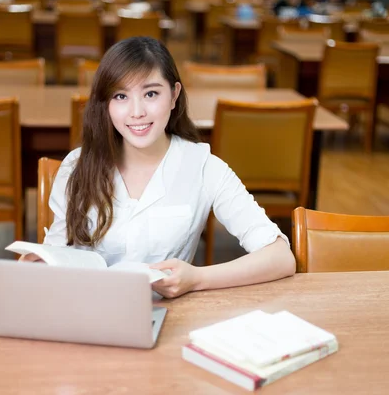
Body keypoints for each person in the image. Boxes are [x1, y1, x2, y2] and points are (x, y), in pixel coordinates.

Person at [24, 37, 296, 299]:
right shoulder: (76, 166)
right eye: (120, 96)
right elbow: (57, 253)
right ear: (105, 103)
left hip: (167, 317)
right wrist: (41, 264)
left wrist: (198, 279)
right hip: (84, 313)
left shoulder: (204, 167)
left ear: (174, 95)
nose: (137, 112)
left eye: (151, 93)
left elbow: (281, 257)